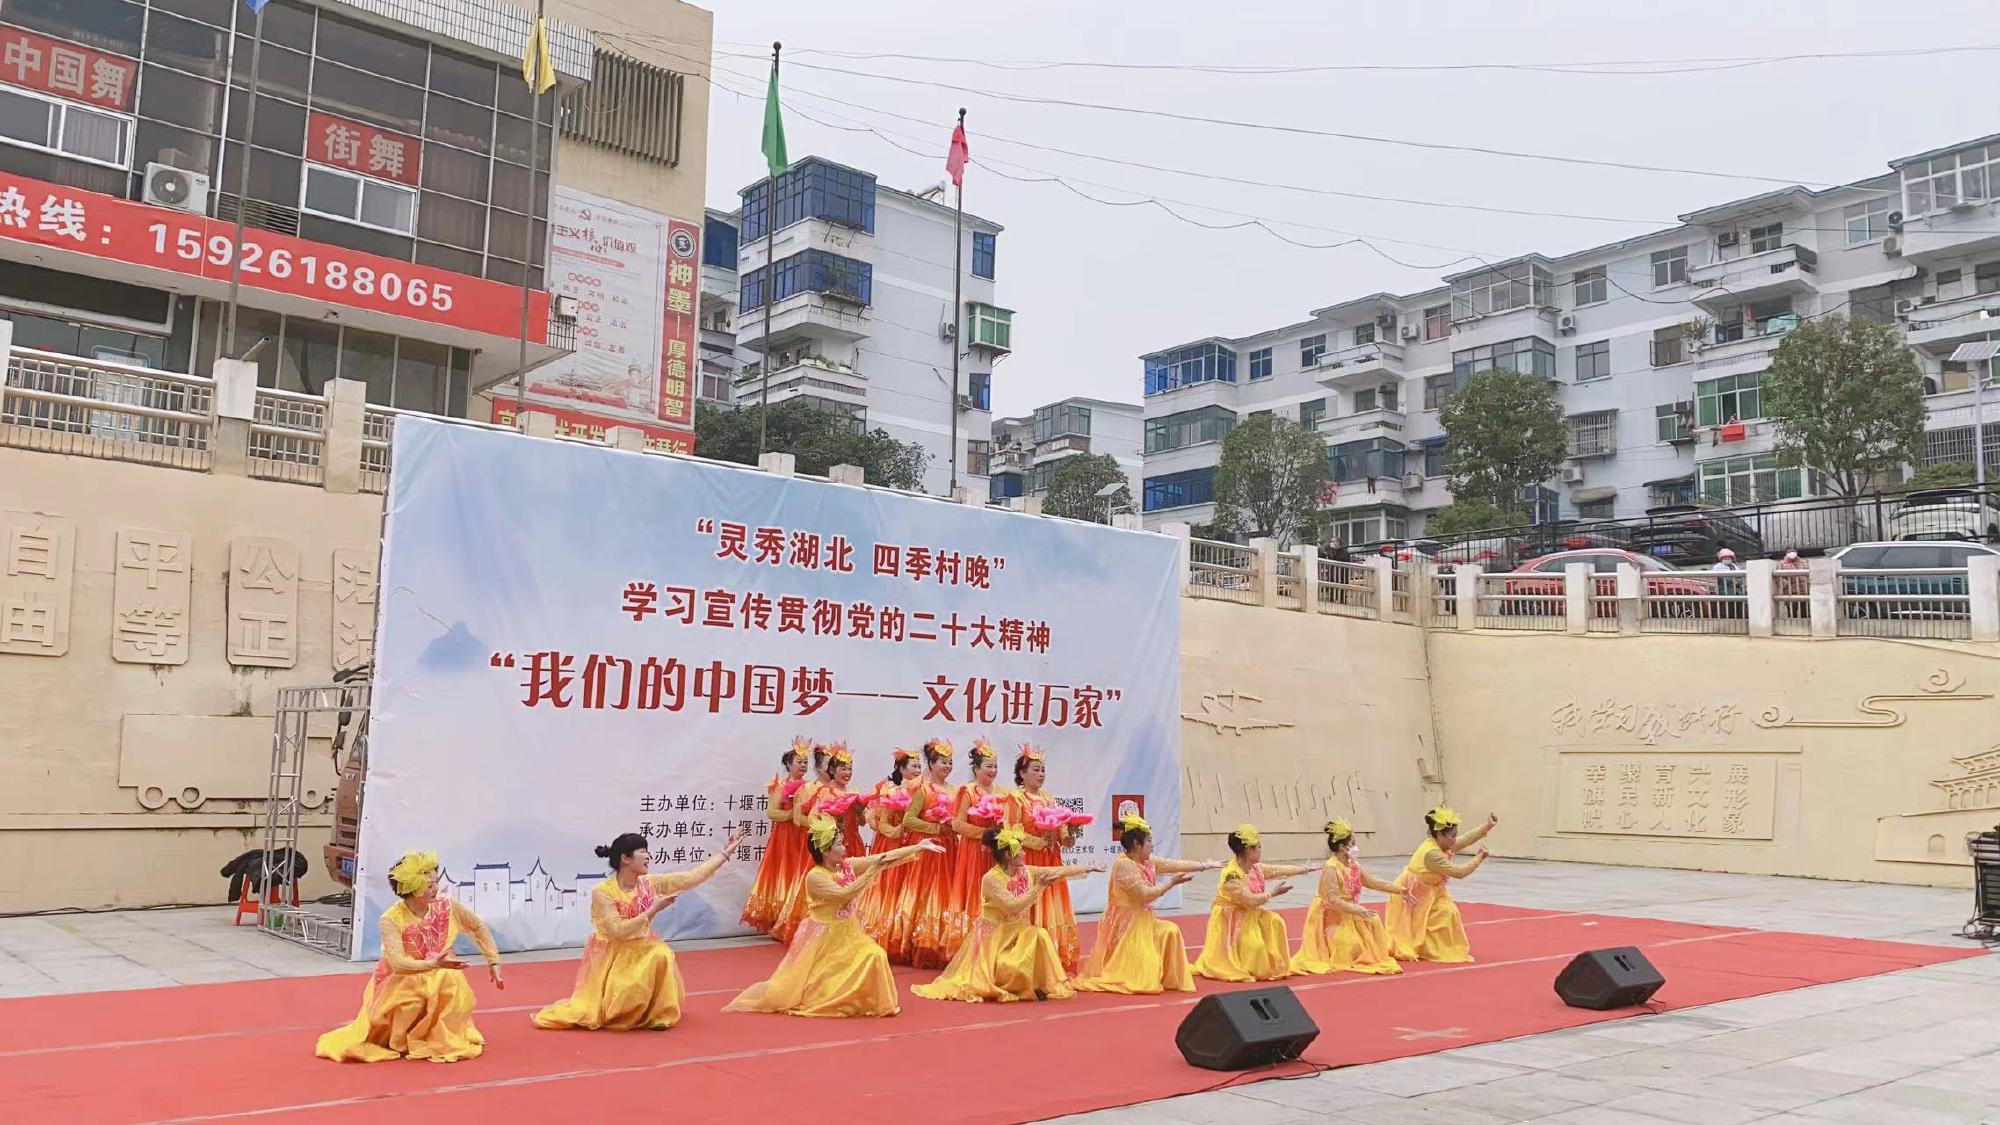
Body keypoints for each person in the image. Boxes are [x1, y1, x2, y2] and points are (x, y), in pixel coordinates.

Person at [724, 814, 942, 1018]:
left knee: (875, 955)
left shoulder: (846, 867)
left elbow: (881, 859)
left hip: (849, 932)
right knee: (854, 964)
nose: (844, 847)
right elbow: (844, 894)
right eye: (839, 844)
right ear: (826, 850)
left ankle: (861, 1000)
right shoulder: (815, 878)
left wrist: (918, 847)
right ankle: (835, 998)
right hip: (825, 937)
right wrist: (871, 871)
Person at [534, 827, 750, 1031]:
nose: (648, 856)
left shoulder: (649, 883)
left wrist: (725, 854)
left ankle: (659, 1015)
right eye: (643, 851)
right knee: (617, 1007)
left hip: (644, 946)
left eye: (647, 851)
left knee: (661, 953)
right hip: (615, 954)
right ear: (625, 858)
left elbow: (690, 878)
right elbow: (617, 931)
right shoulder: (603, 892)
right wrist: (653, 910)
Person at [316, 851, 503, 1063]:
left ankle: (437, 1035)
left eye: (436, 882)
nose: (436, 889)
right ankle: (403, 1035)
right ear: (413, 890)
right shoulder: (391, 919)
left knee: (450, 980)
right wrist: (432, 964)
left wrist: (493, 961)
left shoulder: (446, 905)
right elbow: (398, 963)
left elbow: (477, 926)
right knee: (410, 1002)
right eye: (429, 885)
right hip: (402, 978)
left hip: (441, 972)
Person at [912, 825, 1098, 1003]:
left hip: (1018, 931)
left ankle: (1035, 983)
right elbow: (1012, 906)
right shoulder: (991, 879)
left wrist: (1087, 868)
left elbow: (1056, 871)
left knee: (1040, 935)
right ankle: (1012, 982)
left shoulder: (1026, 871)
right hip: (995, 937)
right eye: (1021, 850)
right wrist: (1037, 888)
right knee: (1010, 966)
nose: (1025, 853)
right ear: (1009, 855)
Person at [1074, 813, 1219, 994]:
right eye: (1148, 841)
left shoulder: (1147, 862)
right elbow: (1144, 895)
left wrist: (1204, 866)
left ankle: (1170, 978)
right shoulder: (1124, 865)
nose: (1152, 845)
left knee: (1171, 931)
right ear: (1136, 844)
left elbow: (1174, 864)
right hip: (1127, 925)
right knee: (1145, 975)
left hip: (1144, 921)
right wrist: (1170, 883)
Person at [773, 743, 866, 944]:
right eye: (843, 768)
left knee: (855, 886)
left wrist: (860, 809)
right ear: (832, 770)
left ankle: (852, 927)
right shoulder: (825, 792)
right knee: (832, 887)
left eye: (850, 769)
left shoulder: (855, 791)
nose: (847, 773)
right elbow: (813, 818)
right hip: (831, 848)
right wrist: (831, 830)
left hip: (853, 844)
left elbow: (862, 821)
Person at [1192, 824, 1310, 982]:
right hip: (1232, 919)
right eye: (1258, 847)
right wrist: (1272, 893)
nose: (1261, 850)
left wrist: (1304, 869)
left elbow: (1278, 869)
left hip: (1249, 914)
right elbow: (1249, 901)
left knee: (1276, 921)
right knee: (1256, 947)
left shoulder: (1255, 868)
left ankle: (1275, 963)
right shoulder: (1232, 875)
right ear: (1248, 850)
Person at [1003, 746, 1082, 973]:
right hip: (1029, 859)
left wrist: (1067, 836)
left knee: (1052, 903)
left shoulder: (1049, 798)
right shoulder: (1016, 798)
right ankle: (1028, 956)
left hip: (1051, 858)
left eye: (1043, 770)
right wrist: (1038, 842)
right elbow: (1011, 831)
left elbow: (1061, 830)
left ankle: (1052, 955)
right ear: (1022, 773)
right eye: (1036, 770)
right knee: (1030, 902)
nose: (1041, 774)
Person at [1291, 818, 1404, 977]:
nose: (1356, 847)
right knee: (1351, 945)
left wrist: (1400, 890)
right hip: (1331, 916)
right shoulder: (1331, 868)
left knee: (1374, 922)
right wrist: (1358, 910)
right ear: (1342, 848)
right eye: (1352, 843)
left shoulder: (1353, 864)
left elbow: (1371, 881)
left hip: (1350, 912)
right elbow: (1333, 901)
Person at [882, 739, 959, 966]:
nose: (947, 766)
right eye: (943, 762)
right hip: (926, 847)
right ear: (932, 764)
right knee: (924, 891)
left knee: (944, 891)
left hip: (948, 848)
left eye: (950, 762)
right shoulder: (922, 789)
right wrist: (936, 828)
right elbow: (909, 820)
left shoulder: (954, 790)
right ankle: (919, 941)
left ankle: (940, 941)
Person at [1385, 806, 1496, 963]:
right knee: (1434, 918)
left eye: (1455, 835)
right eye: (1452, 836)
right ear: (1439, 835)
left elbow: (1464, 840)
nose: (1455, 839)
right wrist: (1479, 858)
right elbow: (1459, 872)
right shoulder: (1432, 854)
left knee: (1449, 911)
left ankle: (1441, 947)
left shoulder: (1442, 844)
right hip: (1413, 893)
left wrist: (1488, 826)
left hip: (1432, 890)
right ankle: (1427, 947)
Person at [940, 739, 1007, 957]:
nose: (993, 770)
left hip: (996, 853)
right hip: (974, 851)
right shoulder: (967, 791)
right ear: (976, 768)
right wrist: (985, 833)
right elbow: (957, 824)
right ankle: (972, 945)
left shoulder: (1002, 793)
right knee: (976, 892)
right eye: (988, 766)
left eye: (995, 766)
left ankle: (996, 942)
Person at [741, 739, 813, 935]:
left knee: (801, 874)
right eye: (799, 761)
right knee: (785, 872)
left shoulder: (810, 787)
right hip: (785, 836)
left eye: (806, 762)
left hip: (804, 835)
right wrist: (791, 814)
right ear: (788, 764)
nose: (803, 765)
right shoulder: (780, 785)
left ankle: (796, 917)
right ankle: (779, 917)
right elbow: (772, 812)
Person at [859, 748, 924, 942]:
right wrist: (898, 832)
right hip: (891, 844)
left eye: (920, 766)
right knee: (890, 886)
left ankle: (906, 931)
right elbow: (880, 822)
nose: (918, 770)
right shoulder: (890, 790)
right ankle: (886, 929)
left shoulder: (922, 791)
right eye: (914, 766)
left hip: (913, 844)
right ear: (901, 769)